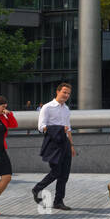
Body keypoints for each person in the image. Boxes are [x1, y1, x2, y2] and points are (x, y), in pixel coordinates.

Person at [34, 81, 76, 210]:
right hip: (53, 143)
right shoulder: (47, 107)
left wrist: (71, 145)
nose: (66, 95)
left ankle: (59, 201)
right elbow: (41, 127)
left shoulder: (66, 109)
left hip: (65, 143)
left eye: (68, 93)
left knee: (65, 174)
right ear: (57, 92)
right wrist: (58, 129)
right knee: (56, 172)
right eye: (64, 92)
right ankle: (37, 188)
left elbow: (68, 129)